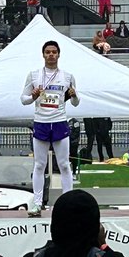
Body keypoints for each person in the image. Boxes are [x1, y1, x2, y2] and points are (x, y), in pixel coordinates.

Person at [21, 40, 79, 217]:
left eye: (54, 52)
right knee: (39, 165)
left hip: (60, 121)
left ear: (59, 54)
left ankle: (68, 203)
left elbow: (76, 103)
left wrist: (74, 95)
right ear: (43, 54)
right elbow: (23, 99)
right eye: (48, 52)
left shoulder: (68, 76)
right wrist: (33, 96)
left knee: (64, 165)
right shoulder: (34, 75)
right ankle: (37, 204)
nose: (51, 55)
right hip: (41, 122)